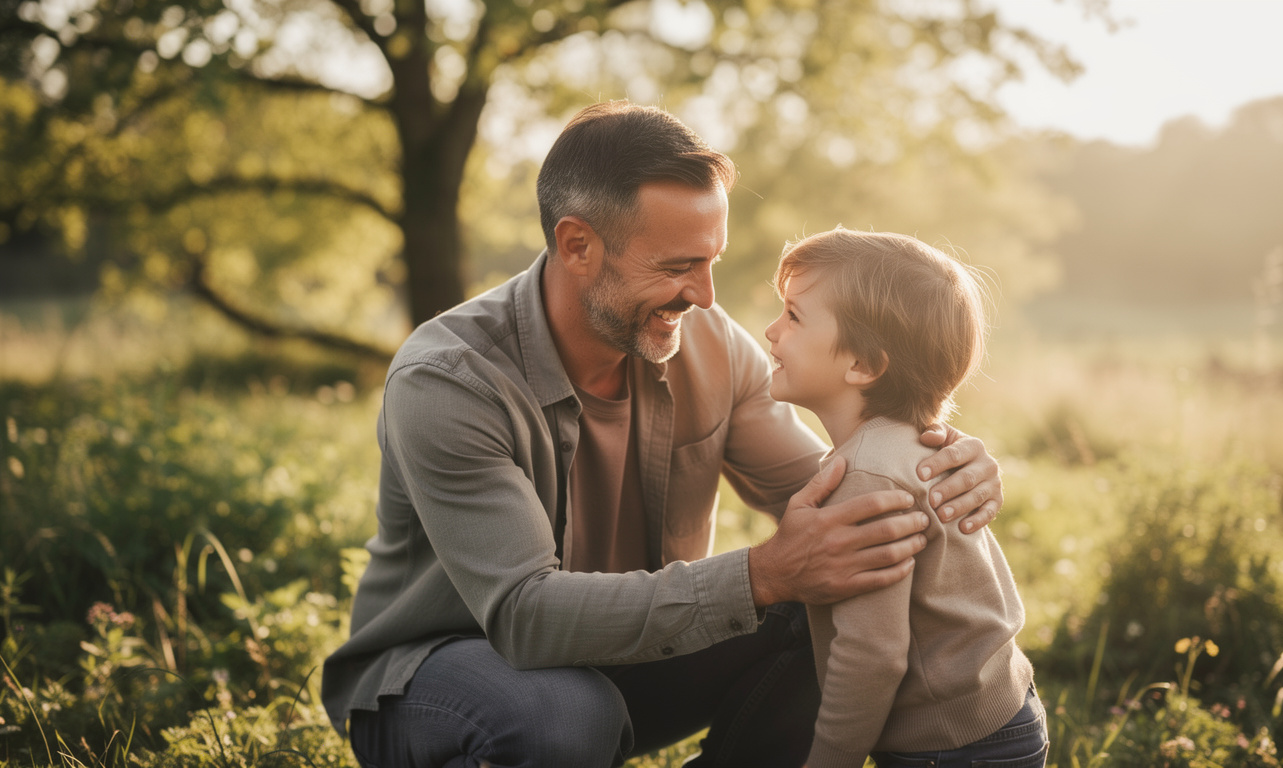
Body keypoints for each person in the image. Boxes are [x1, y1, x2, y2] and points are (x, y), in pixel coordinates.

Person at [321, 101, 1005, 768]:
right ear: (577, 245)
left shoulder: (710, 344)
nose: (706, 296)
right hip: (443, 677)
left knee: (822, 602)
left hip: (623, 662)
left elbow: (839, 505)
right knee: (564, 715)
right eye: (677, 267)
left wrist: (927, 463)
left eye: (710, 261)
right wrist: (762, 575)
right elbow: (524, 617)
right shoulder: (449, 381)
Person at [762, 227, 1044, 768]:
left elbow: (872, 655)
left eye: (794, 316)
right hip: (1000, 718)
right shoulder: (915, 447)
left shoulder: (868, 475)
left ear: (865, 365)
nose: (772, 331)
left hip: (949, 748)